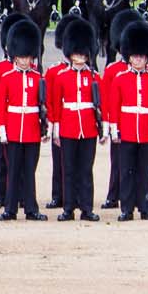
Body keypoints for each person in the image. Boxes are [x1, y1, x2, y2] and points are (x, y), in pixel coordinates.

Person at [46, 16, 103, 221]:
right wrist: (54, 130)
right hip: (68, 127)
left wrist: (103, 129)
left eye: (83, 53)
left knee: (86, 170)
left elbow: (100, 106)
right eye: (76, 53)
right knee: (68, 170)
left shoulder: (95, 77)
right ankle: (68, 208)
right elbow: (54, 104)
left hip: (88, 127)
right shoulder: (61, 76)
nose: (79, 56)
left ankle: (86, 208)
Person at [105, 20, 148, 220]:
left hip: (146, 131)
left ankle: (146, 208)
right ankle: (126, 209)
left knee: (145, 172)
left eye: (142, 57)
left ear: (147, 58)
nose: (138, 60)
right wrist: (114, 129)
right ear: (129, 57)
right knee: (126, 172)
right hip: (127, 131)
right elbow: (114, 105)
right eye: (135, 57)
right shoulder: (120, 78)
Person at [0, 20, 47, 220]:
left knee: (29, 171)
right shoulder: (6, 77)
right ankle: (10, 209)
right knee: (13, 170)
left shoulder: (38, 77)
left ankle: (31, 208)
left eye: (28, 57)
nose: (25, 61)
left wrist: (44, 127)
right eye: (21, 57)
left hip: (31, 129)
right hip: (13, 130)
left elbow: (42, 105)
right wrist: (2, 130)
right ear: (15, 56)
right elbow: (0, 105)